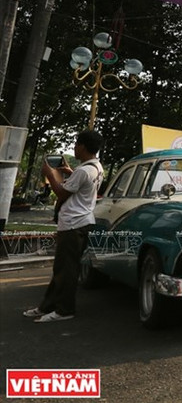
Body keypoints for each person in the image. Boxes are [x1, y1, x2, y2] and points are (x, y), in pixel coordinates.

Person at [24, 130, 104, 323]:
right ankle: (47, 306)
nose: (74, 148)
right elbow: (80, 186)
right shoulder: (96, 167)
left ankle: (64, 310)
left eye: (76, 144)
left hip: (73, 225)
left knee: (66, 270)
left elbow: (61, 192)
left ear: (83, 146)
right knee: (62, 268)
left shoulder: (84, 171)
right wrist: (69, 172)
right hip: (80, 222)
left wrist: (50, 175)